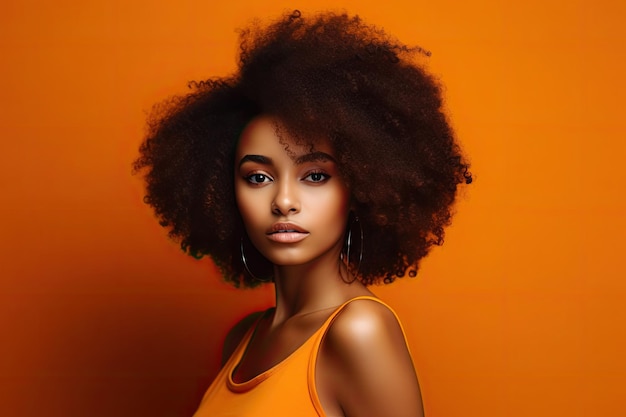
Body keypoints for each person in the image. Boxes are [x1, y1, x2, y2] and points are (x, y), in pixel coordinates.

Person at [133, 9, 471, 417]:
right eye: (258, 178)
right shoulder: (243, 339)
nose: (284, 201)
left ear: (362, 187)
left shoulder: (358, 332)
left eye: (314, 176)